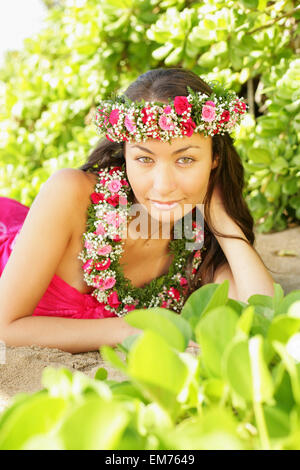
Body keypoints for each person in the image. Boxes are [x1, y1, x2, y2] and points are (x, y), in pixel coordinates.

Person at [0, 67, 275, 353]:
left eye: (186, 160)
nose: (164, 185)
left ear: (214, 158)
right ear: (125, 153)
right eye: (145, 158)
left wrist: (220, 214)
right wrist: (131, 331)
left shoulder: (200, 243)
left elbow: (263, 312)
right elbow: (4, 330)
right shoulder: (71, 194)